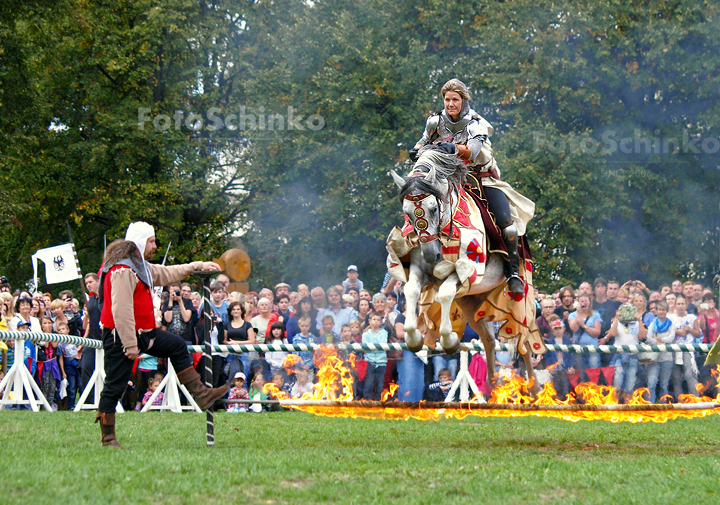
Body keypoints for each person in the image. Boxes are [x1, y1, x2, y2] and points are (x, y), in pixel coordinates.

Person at [95, 222, 227, 448]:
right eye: (152, 241)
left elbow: (166, 273)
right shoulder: (122, 270)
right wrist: (130, 344)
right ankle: (108, 438)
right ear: (139, 241)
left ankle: (201, 394)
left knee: (176, 345)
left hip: (144, 333)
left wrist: (196, 265)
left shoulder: (139, 266)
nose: (155, 245)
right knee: (115, 385)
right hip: (121, 336)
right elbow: (121, 309)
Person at [409, 78, 534, 296]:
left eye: (455, 100)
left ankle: (513, 272)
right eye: (447, 100)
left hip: (481, 179)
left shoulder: (476, 123)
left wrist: (454, 148)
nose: (450, 104)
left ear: (463, 100)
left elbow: (474, 150)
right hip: (449, 179)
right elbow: (423, 141)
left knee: (506, 223)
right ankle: (418, 262)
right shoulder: (435, 121)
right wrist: (416, 149)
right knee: (420, 207)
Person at [606, 303, 647, 403]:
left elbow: (643, 336)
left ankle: (627, 408)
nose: (626, 313)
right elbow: (613, 333)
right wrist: (617, 318)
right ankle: (614, 406)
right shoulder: (616, 322)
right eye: (624, 310)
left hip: (633, 356)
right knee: (617, 381)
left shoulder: (637, 323)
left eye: (629, 310)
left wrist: (639, 319)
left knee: (630, 383)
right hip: (619, 355)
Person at [669, 296, 699, 401]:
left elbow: (698, 333)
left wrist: (690, 329)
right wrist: (677, 332)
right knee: (676, 377)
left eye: (683, 304)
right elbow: (667, 333)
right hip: (674, 349)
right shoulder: (670, 318)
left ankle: (696, 400)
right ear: (675, 305)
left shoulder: (692, 317)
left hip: (688, 349)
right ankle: (680, 402)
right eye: (679, 304)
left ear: (686, 305)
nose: (681, 306)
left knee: (689, 375)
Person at [645, 301, 675, 403]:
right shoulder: (653, 324)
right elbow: (648, 338)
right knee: (651, 382)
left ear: (667, 311)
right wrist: (657, 341)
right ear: (656, 311)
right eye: (660, 310)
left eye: (663, 310)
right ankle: (650, 404)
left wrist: (659, 339)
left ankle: (664, 405)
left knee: (664, 384)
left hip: (667, 357)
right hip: (654, 357)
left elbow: (671, 338)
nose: (661, 312)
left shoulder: (671, 324)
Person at [567, 293, 603, 379]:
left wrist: (584, 326)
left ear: (590, 302)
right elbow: (574, 329)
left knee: (593, 371)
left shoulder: (595, 314)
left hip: (592, 349)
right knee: (580, 372)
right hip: (578, 349)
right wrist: (577, 315)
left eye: (586, 301)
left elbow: (597, 332)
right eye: (582, 301)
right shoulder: (572, 315)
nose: (584, 303)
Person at [80, 273, 102, 400]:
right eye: (86, 283)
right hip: (91, 340)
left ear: (98, 281)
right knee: (86, 367)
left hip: (106, 340)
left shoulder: (107, 298)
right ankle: (88, 401)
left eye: (90, 282)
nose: (88, 285)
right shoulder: (91, 301)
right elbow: (87, 325)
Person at [224, 301, 256, 378]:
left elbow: (252, 340)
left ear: (241, 311)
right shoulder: (226, 325)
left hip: (244, 353)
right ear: (230, 312)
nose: (236, 311)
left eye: (238, 309)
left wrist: (237, 342)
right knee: (230, 378)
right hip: (231, 353)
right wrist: (230, 343)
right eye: (234, 309)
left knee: (243, 377)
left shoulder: (247, 325)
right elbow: (224, 340)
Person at [362, 312, 388, 400]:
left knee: (380, 384)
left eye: (378, 320)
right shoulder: (365, 334)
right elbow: (365, 348)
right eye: (374, 319)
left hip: (382, 362)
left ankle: (378, 401)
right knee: (369, 383)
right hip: (369, 361)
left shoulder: (384, 333)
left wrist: (372, 346)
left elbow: (384, 345)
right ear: (369, 321)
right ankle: (367, 401)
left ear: (381, 322)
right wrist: (378, 346)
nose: (376, 322)